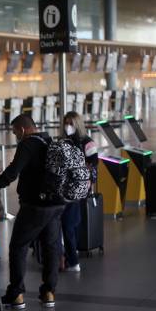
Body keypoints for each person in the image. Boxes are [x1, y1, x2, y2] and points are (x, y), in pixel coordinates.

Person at [0, 114, 62, 309]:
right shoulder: (49, 140)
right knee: (51, 247)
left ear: (22, 129)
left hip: (35, 205)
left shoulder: (28, 144)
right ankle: (49, 292)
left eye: (15, 132)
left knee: (18, 247)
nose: (15, 136)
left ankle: (16, 294)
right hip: (56, 204)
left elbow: (14, 170)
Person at [59, 111, 98, 273]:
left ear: (77, 124)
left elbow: (93, 163)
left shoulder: (87, 142)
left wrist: (78, 173)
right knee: (72, 221)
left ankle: (73, 260)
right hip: (66, 187)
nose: (68, 126)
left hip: (78, 188)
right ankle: (71, 252)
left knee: (69, 223)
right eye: (66, 123)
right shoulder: (64, 142)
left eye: (71, 123)